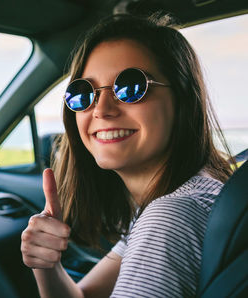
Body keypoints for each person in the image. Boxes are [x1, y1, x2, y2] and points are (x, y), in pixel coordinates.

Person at [20, 13, 234, 298]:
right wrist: (46, 267)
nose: (101, 109)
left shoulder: (170, 216)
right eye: (84, 93)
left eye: (131, 87)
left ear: (183, 100)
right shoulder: (184, 193)